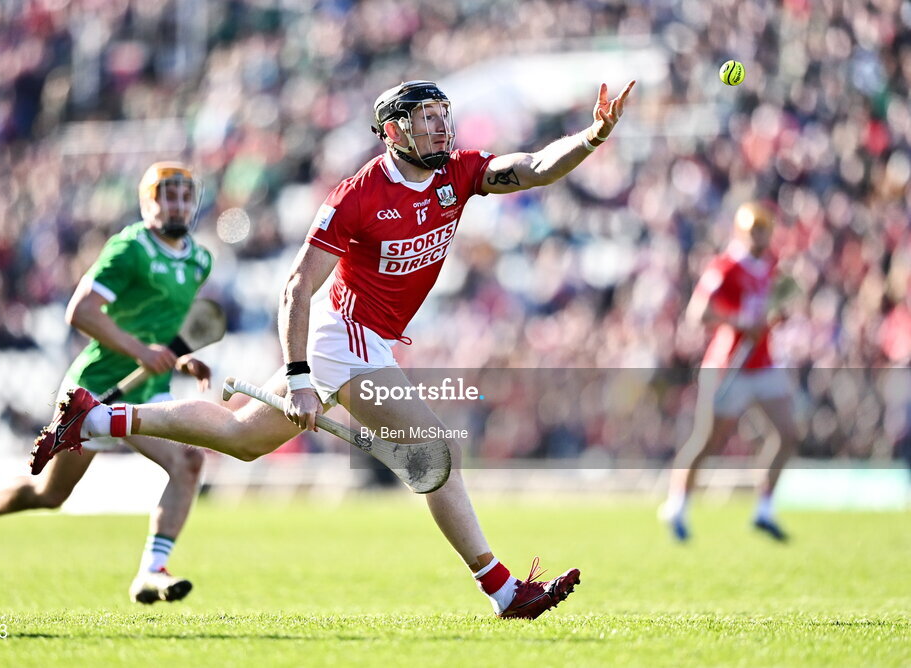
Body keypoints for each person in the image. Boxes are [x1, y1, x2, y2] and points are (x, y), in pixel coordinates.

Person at [33, 79, 635, 618]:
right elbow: (296, 285)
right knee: (432, 449)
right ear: (393, 130)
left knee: (242, 438)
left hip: (363, 339)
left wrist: (593, 135)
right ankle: (505, 591)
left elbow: (532, 168)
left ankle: (96, 416)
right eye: (427, 117)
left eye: (443, 115)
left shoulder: (456, 173)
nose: (440, 126)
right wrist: (298, 375)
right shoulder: (359, 194)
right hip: (342, 335)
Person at [0, 162, 214, 604]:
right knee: (49, 493)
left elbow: (161, 327)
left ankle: (152, 570)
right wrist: (142, 353)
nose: (179, 204)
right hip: (96, 392)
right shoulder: (129, 248)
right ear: (150, 202)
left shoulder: (199, 259)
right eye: (169, 195)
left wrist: (180, 359)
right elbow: (82, 312)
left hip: (152, 391)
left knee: (188, 462)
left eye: (186, 196)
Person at [659, 202, 801, 542]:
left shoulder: (773, 265)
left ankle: (764, 508)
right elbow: (699, 313)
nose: (760, 236)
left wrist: (776, 317)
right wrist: (740, 322)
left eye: (764, 229)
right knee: (708, 441)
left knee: (787, 433)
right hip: (729, 364)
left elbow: (778, 304)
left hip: (763, 362)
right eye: (755, 230)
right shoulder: (725, 266)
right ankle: (677, 503)